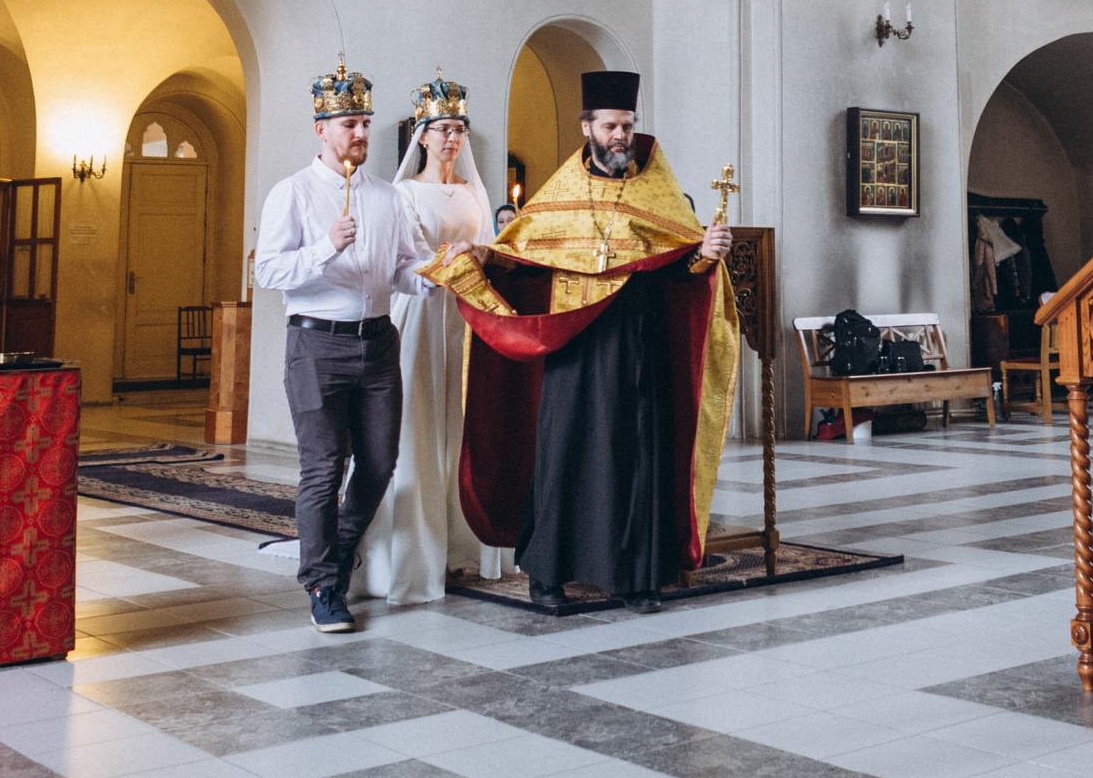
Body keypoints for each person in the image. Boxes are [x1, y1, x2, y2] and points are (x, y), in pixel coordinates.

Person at [424, 70, 737, 615]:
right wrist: (482, 258)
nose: (622, 136)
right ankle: (548, 574)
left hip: (637, 346)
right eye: (612, 126)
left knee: (636, 458)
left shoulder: (657, 190)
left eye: (629, 125)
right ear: (587, 127)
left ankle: (637, 578)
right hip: (571, 346)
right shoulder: (561, 192)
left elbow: (679, 269)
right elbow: (521, 255)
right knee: (562, 454)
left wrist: (705, 252)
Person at [255, 61, 443, 633]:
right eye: (347, 123)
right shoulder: (291, 194)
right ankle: (322, 584)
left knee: (380, 463)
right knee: (322, 468)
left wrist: (437, 275)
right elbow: (266, 271)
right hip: (316, 344)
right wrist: (324, 248)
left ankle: (334, 552)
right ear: (321, 129)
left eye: (364, 121)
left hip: (378, 341)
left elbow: (406, 268)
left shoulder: (387, 198)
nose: (360, 133)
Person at [353, 74, 493, 602]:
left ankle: (465, 543)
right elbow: (409, 255)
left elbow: (486, 245)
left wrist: (480, 255)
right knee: (419, 420)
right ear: (423, 135)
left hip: (467, 317)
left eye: (459, 129)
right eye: (443, 129)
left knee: (463, 422)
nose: (453, 138)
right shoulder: (405, 192)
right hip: (423, 311)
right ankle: (410, 554)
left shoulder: (474, 191)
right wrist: (450, 260)